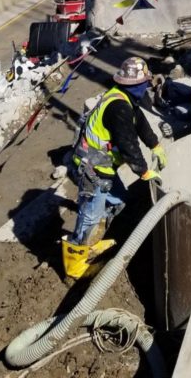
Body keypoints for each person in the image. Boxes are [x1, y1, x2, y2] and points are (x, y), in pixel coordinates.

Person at [63, 56, 166, 279]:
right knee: (89, 215)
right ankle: (75, 263)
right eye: (145, 83)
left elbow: (139, 122)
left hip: (105, 166)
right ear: (136, 84)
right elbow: (128, 144)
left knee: (119, 201)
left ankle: (95, 239)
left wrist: (155, 144)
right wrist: (144, 171)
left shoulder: (124, 98)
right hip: (93, 168)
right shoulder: (119, 107)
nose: (148, 87)